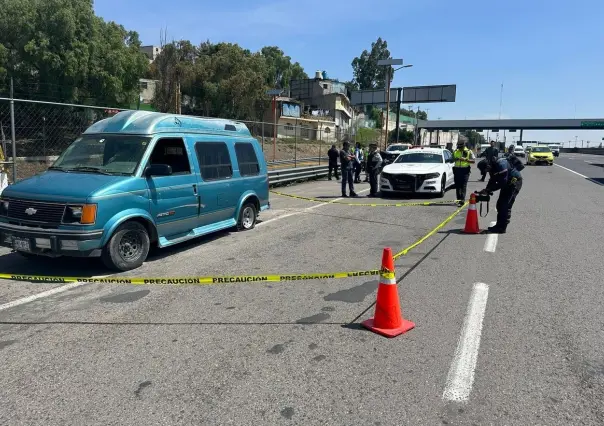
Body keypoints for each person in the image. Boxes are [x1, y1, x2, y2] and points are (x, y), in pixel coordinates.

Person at [478, 155, 523, 233]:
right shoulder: (491, 167)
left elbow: (502, 182)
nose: (487, 172)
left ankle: (502, 228)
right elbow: (492, 179)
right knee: (499, 205)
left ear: (488, 166)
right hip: (508, 183)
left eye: (486, 170)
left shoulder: (501, 164)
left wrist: (489, 190)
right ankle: (499, 225)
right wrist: (487, 189)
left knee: (505, 205)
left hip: (514, 183)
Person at [452, 140, 476, 206]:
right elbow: (451, 159)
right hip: (457, 170)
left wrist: (465, 160)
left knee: (463, 186)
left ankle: (462, 201)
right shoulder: (455, 151)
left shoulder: (469, 151)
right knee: (457, 186)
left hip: (465, 171)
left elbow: (473, 161)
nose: (459, 148)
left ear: (463, 146)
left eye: (460, 147)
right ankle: (458, 200)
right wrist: (455, 159)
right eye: (458, 147)